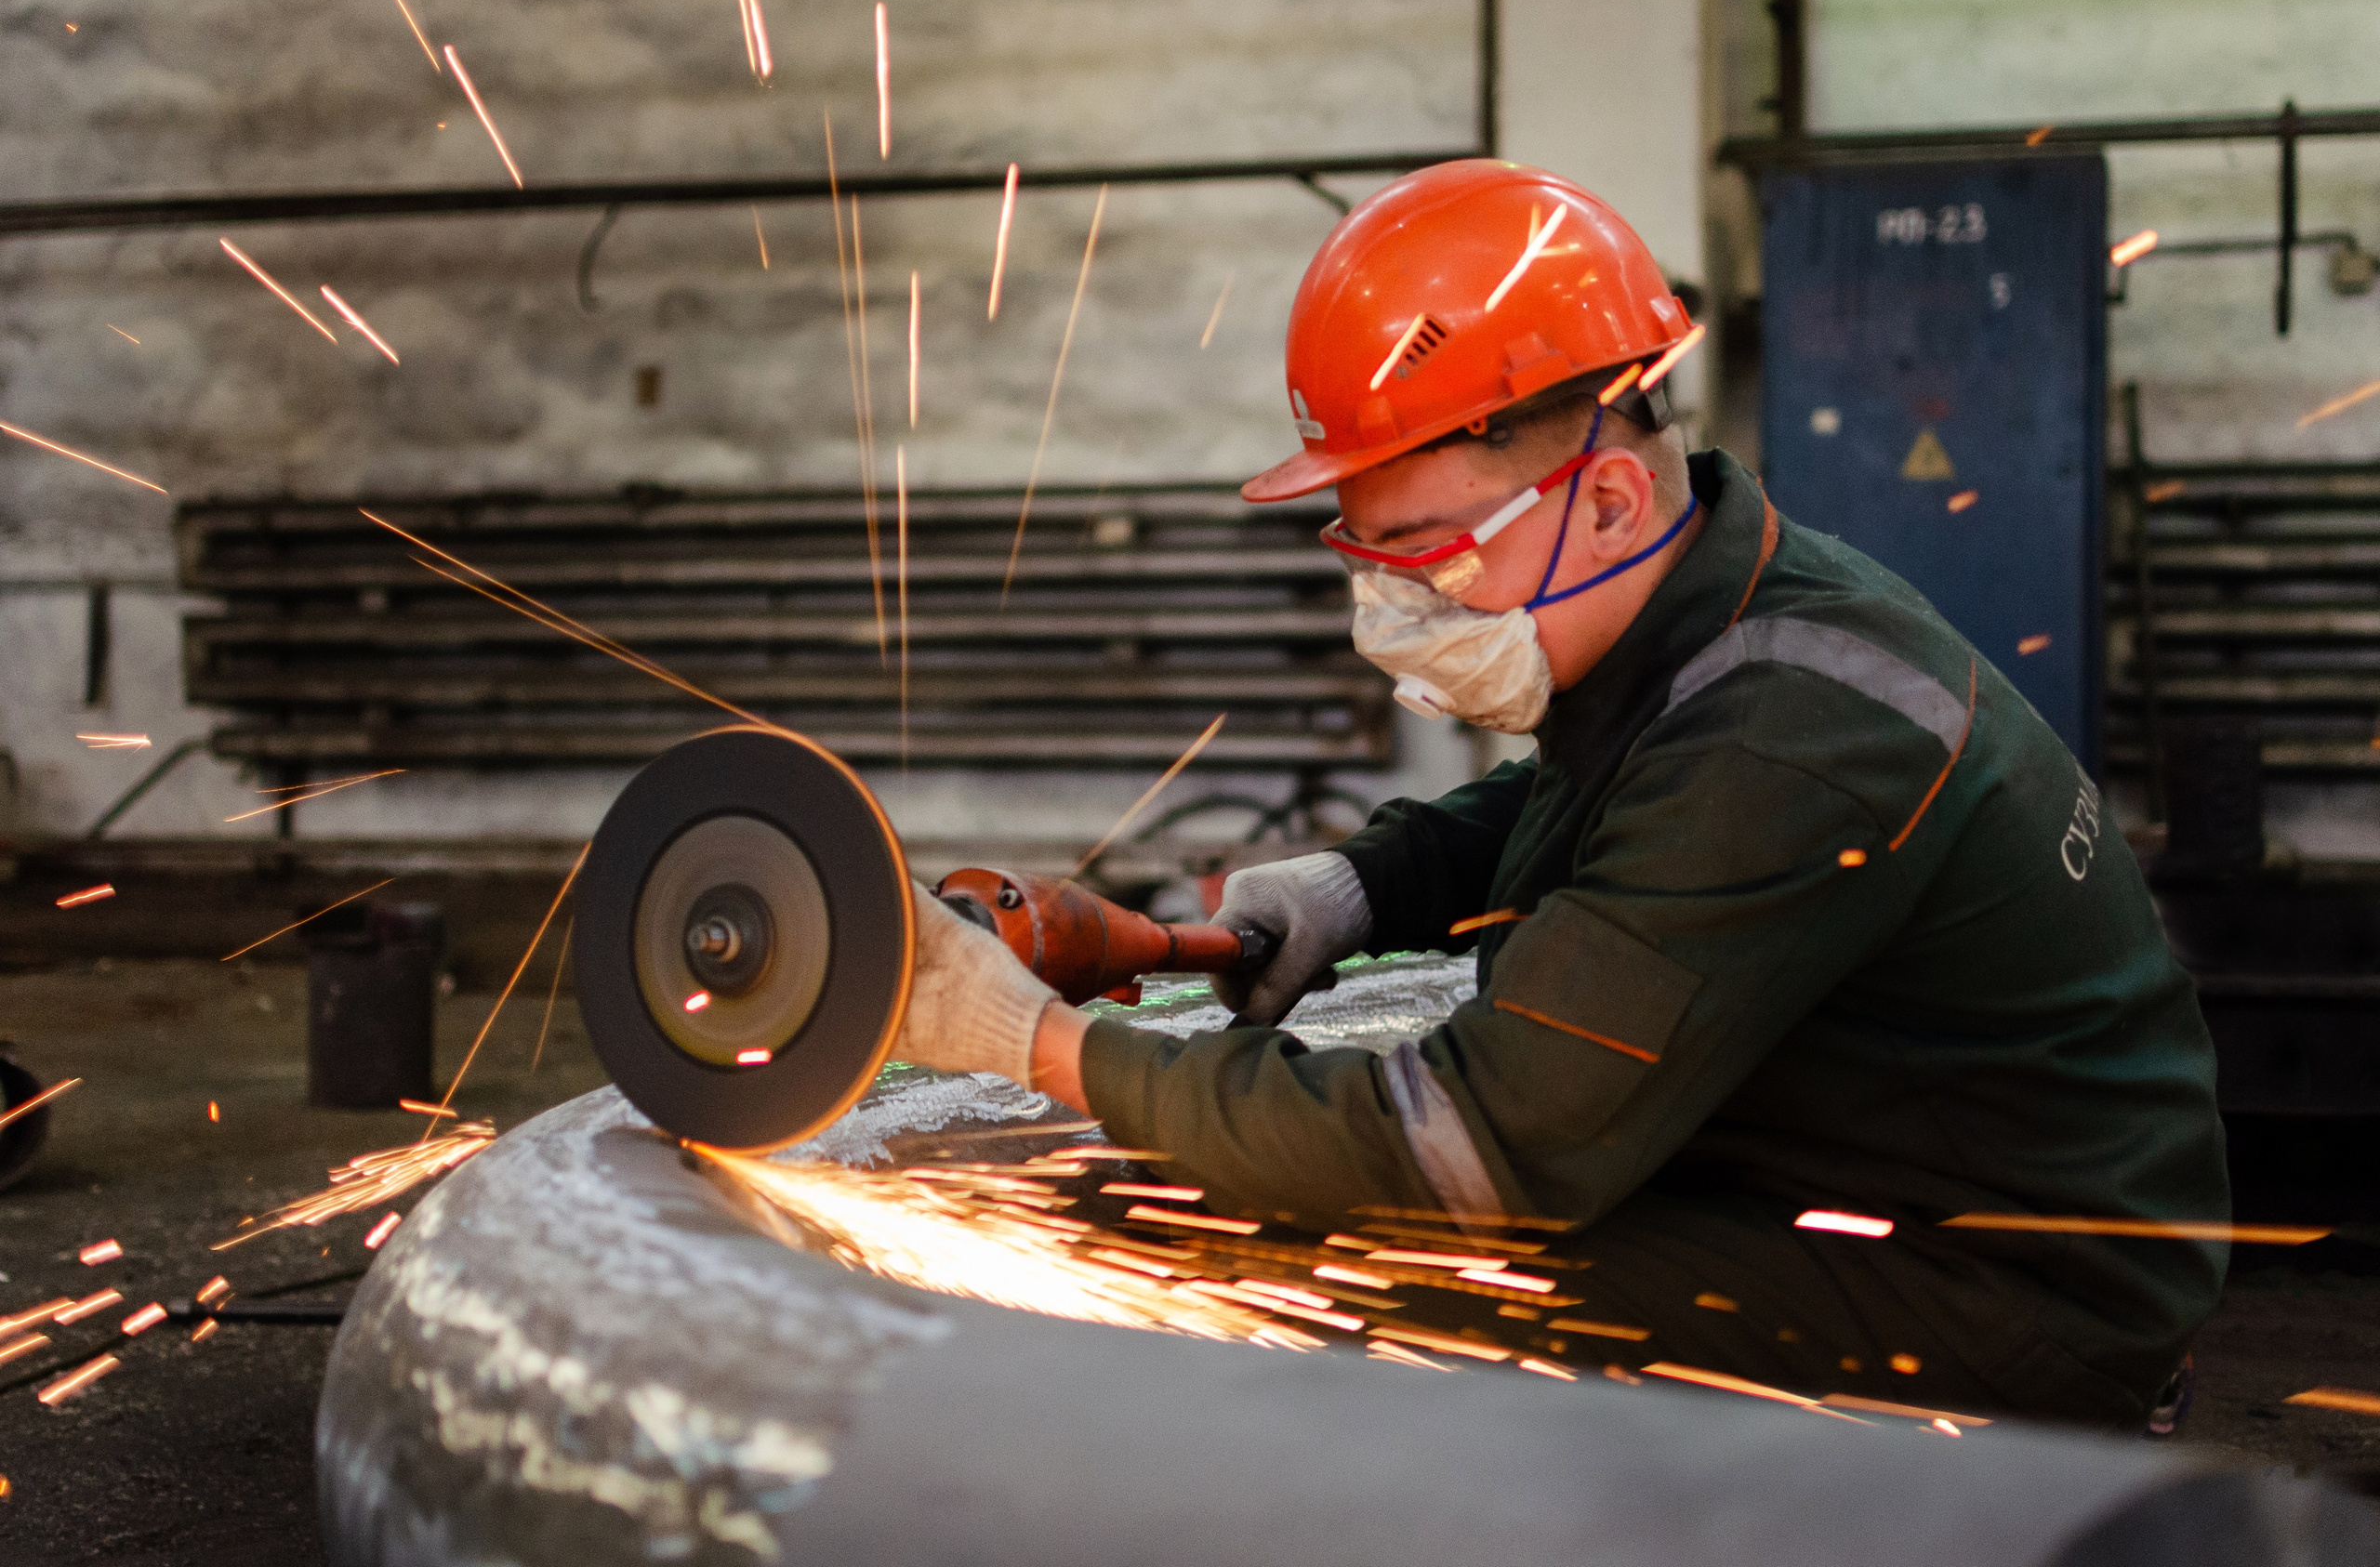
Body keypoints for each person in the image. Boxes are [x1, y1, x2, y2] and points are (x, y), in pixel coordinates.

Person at [888, 159, 2228, 1429]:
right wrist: (1367, 884)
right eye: (1370, 556)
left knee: (1354, 1277)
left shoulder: (1789, 733)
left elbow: (1470, 1153)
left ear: (1605, 500)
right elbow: (1597, 802)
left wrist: (1036, 1044)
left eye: (1429, 557)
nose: (1395, 608)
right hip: (1872, 1185)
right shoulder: (1714, 609)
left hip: (2015, 1293)